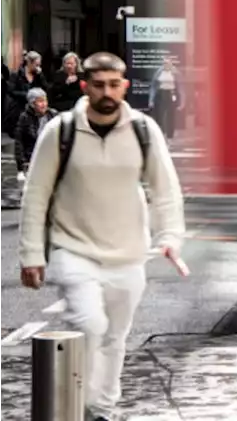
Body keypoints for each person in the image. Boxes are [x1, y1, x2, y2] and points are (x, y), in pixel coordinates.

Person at [16, 52, 185, 421]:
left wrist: (170, 236)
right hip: (73, 249)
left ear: (124, 85)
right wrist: (31, 254)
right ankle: (79, 407)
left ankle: (101, 410)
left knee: (115, 338)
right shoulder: (59, 131)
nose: (106, 92)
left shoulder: (144, 130)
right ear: (84, 85)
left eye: (113, 84)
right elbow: (36, 194)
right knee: (90, 325)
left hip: (129, 255)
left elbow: (166, 189)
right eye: (98, 84)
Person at [15, 88, 57, 183]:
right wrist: (21, 167)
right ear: (32, 104)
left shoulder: (53, 115)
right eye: (40, 101)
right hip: (33, 158)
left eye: (45, 100)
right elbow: (19, 142)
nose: (44, 104)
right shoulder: (24, 118)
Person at [7, 51, 47, 136]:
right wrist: (28, 95)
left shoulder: (37, 75)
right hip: (19, 106)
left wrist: (40, 75)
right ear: (29, 63)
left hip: (34, 108)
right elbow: (11, 91)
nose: (38, 67)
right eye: (36, 65)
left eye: (39, 65)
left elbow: (45, 88)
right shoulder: (16, 74)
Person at [148, 56, 182, 140]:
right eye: (164, 63)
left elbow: (181, 87)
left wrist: (182, 101)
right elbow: (153, 87)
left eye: (167, 63)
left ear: (171, 63)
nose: (166, 65)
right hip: (160, 94)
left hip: (171, 94)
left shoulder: (175, 72)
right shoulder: (159, 72)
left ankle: (170, 136)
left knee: (171, 116)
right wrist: (151, 100)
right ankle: (161, 134)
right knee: (160, 115)